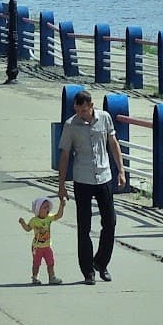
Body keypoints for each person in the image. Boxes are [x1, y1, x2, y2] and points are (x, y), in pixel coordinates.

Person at [56, 89, 127, 285]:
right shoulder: (71, 125)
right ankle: (88, 271)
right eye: (78, 111)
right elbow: (64, 155)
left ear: (92, 106)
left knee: (110, 222)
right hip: (83, 179)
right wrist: (61, 185)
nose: (82, 115)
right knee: (84, 227)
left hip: (104, 177)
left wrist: (121, 170)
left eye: (85, 111)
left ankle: (101, 262)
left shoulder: (104, 118)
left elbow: (113, 143)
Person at [18, 195, 65, 285]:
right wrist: (23, 223)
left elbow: (58, 216)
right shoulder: (34, 220)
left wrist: (61, 206)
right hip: (37, 247)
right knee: (36, 263)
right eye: (45, 207)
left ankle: (52, 277)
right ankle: (35, 277)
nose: (47, 209)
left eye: (48, 207)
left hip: (47, 246)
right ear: (38, 210)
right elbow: (28, 229)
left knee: (50, 262)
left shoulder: (49, 218)